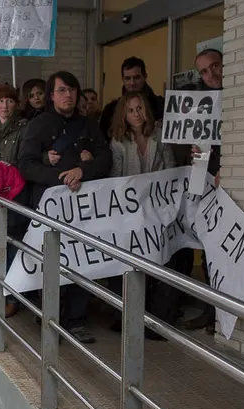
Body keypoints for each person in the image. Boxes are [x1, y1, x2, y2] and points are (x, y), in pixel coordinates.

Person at [17, 71, 112, 344]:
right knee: (50, 262)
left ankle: (77, 320)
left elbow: (105, 157)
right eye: (61, 90)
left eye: (72, 90)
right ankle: (50, 316)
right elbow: (25, 165)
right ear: (51, 95)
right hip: (49, 207)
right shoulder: (38, 125)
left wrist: (82, 170)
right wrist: (61, 177)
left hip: (82, 207)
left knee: (81, 261)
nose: (68, 95)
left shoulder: (89, 125)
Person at [107, 92, 177, 339]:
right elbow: (116, 177)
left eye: (140, 108)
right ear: (123, 116)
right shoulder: (118, 141)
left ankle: (157, 322)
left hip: (158, 209)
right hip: (130, 211)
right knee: (128, 264)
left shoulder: (161, 137)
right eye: (131, 110)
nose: (136, 114)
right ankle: (125, 316)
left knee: (161, 263)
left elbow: (169, 170)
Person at [182, 48, 224, 335]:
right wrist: (193, 150)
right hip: (205, 183)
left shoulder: (240, 95)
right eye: (204, 72)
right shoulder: (199, 103)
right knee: (208, 250)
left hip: (228, 185)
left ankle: (221, 315)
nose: (211, 75)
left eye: (215, 67)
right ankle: (211, 313)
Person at [0, 84, 29, 317]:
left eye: (9, 101)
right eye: (0, 101)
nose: (5, 106)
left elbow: (24, 161)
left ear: (16, 104)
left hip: (13, 196)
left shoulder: (23, 128)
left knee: (12, 247)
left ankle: (12, 297)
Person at [100, 57, 165, 139]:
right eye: (128, 78)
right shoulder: (110, 109)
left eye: (136, 77)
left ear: (145, 76)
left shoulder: (159, 104)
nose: (132, 83)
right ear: (122, 79)